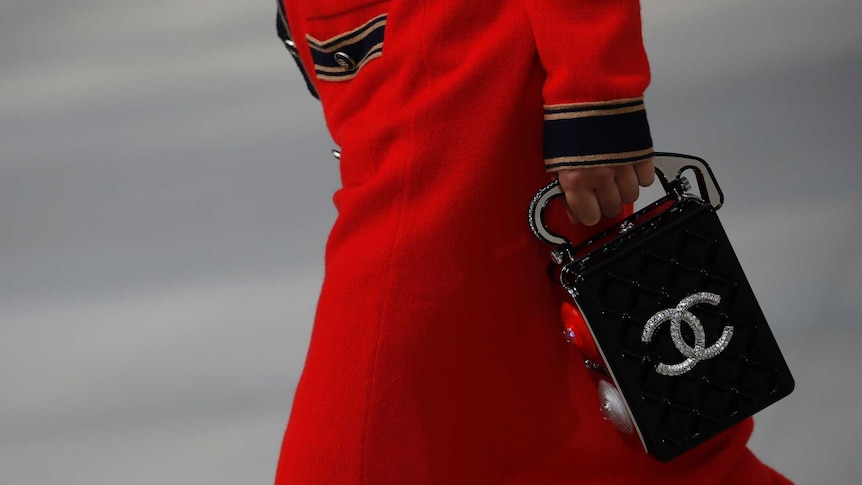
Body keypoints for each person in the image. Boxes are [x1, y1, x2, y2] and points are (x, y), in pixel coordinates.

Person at [274, 1, 792, 483]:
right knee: (604, 423)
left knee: (356, 448)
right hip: (388, 63)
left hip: (463, 73)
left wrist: (594, 85)